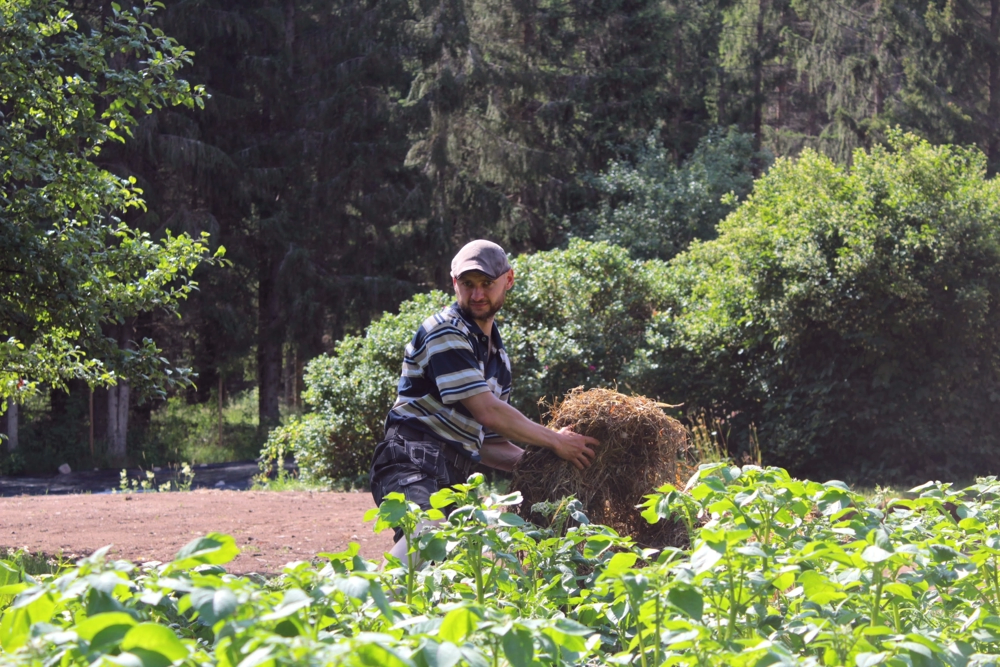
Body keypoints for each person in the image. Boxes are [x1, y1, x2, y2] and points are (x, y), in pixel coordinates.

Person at [370, 239, 599, 562]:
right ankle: (361, 606)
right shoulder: (446, 331)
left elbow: (490, 443)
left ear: (508, 280)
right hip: (411, 458)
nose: (477, 295)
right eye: (468, 284)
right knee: (426, 538)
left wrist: (544, 466)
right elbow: (488, 411)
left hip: (456, 474)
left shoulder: (499, 361)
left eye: (486, 284)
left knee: (458, 568)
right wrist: (555, 442)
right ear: (454, 283)